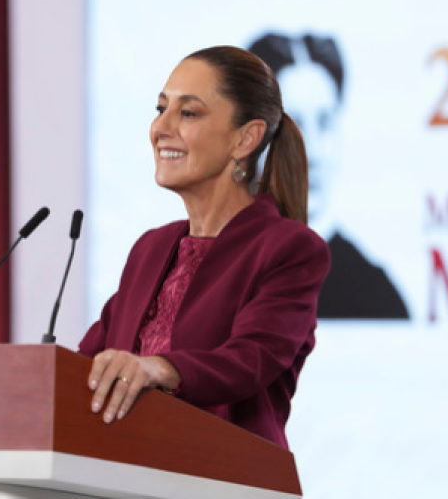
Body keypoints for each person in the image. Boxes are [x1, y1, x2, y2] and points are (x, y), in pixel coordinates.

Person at [78, 46, 331, 449]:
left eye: (188, 113)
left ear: (245, 139)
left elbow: (251, 359)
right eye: (160, 109)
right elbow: (89, 364)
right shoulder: (150, 248)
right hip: (129, 472)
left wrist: (159, 368)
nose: (160, 128)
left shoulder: (289, 248)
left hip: (229, 473)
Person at [249, 33, 409, 320]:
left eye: (325, 123)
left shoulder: (375, 297)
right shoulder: (207, 276)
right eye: (293, 127)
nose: (312, 152)